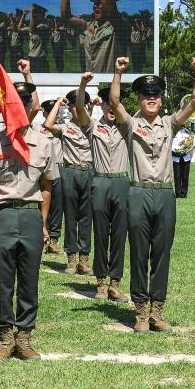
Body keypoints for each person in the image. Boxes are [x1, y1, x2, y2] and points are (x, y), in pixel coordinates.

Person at [110, 56, 195, 333]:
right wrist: (118, 73)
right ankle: (140, 311)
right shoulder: (129, 124)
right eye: (145, 95)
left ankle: (157, 309)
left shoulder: (170, 123)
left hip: (164, 193)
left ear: (161, 100)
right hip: (138, 192)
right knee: (139, 252)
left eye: (155, 95)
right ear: (139, 99)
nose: (151, 99)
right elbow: (115, 102)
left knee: (162, 252)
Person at [0, 80, 57, 360]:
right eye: (13, 104)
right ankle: (4, 335)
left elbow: (47, 187)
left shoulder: (44, 144)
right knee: (1, 279)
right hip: (2, 214)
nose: (20, 108)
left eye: (25, 104)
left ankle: (24, 336)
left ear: (32, 108)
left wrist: (44, 223)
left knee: (28, 279)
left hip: (30, 215)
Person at [76, 74, 129, 301]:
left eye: (113, 102)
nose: (110, 106)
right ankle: (100, 282)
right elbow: (79, 109)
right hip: (99, 182)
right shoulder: (93, 127)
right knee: (100, 233)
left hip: (120, 182)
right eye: (106, 102)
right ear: (101, 104)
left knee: (119, 235)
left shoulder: (128, 126)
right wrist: (83, 86)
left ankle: (114, 283)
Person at [44, 90, 94, 275]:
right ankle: (71, 259)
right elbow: (48, 124)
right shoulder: (66, 128)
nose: (76, 109)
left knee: (86, 218)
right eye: (72, 106)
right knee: (71, 218)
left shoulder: (93, 127)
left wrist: (93, 106)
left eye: (79, 105)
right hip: (69, 172)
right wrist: (58, 102)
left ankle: (84, 259)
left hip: (88, 172)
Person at [61, 0, 123, 73]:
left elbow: (108, 7)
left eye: (99, 3)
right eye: (94, 3)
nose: (95, 6)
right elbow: (66, 17)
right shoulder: (90, 27)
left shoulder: (116, 25)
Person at [34, 100, 64, 253]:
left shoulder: (58, 129)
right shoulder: (36, 128)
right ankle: (40, 233)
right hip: (41, 172)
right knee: (42, 205)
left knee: (57, 207)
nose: (52, 114)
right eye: (48, 111)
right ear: (43, 112)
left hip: (57, 171)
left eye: (55, 112)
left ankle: (53, 240)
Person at [171, 124, 195, 198]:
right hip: (176, 157)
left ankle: (184, 193)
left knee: (185, 176)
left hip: (186, 157)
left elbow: (192, 146)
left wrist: (192, 159)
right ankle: (178, 193)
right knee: (177, 176)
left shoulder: (189, 133)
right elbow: (169, 144)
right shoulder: (173, 132)